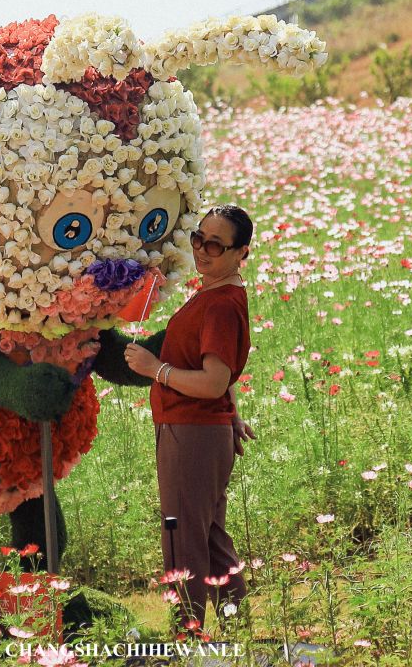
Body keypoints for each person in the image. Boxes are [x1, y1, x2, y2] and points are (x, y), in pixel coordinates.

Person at [122, 204, 257, 630]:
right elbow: (222, 376)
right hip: (206, 430)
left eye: (216, 244)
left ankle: (187, 632)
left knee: (182, 536)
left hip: (192, 432)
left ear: (241, 253)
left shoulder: (219, 303)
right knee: (210, 535)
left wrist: (153, 369)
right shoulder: (218, 293)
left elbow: (214, 380)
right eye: (199, 238)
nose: (202, 250)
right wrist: (231, 416)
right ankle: (238, 628)